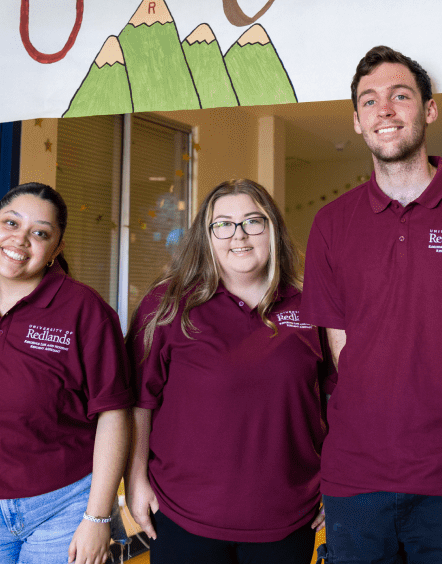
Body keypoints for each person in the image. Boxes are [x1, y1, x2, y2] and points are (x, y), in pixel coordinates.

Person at [304, 46, 442, 564]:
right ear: (357, 121)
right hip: (357, 479)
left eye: (400, 96)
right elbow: (341, 351)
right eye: (369, 101)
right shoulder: (331, 223)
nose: (385, 109)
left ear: (429, 109)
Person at [126, 179, 328, 564]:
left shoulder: (312, 305)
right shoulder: (165, 304)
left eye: (253, 221)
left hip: (287, 518)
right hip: (184, 515)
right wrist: (135, 480)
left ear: (273, 229)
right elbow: (139, 402)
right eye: (223, 224)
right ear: (206, 236)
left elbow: (340, 401)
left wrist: (337, 486)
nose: (239, 235)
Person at [0, 182, 132, 564]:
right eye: (11, 223)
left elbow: (114, 414)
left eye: (40, 233)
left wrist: (97, 517)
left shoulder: (85, 310)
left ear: (56, 249)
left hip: (64, 504)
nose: (21, 239)